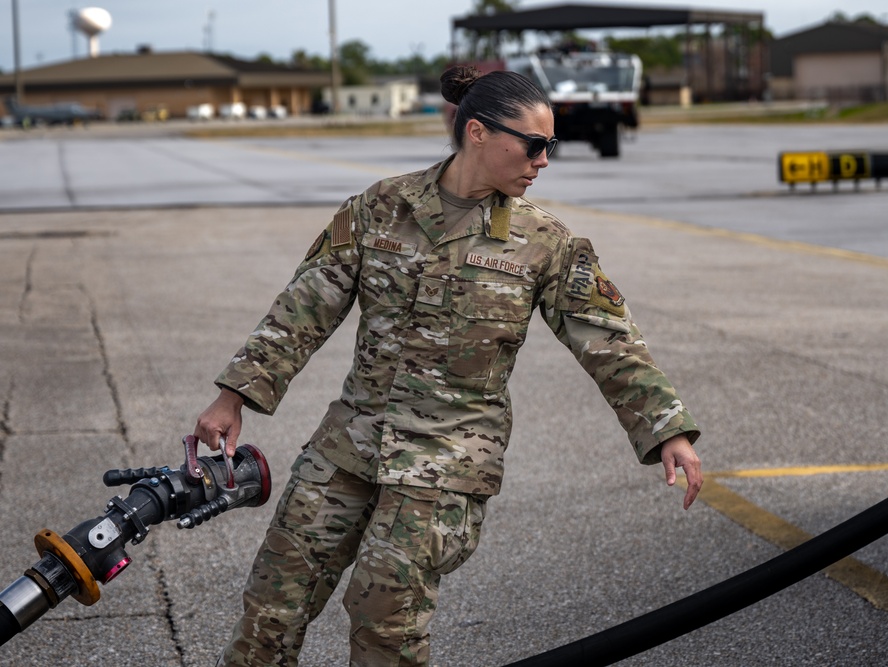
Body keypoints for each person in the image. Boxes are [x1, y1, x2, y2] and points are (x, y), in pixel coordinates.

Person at [194, 65, 702, 667]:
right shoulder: (380, 207)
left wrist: (667, 428)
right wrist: (234, 396)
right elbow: (304, 306)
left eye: (551, 146)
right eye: (535, 145)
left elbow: (609, 341)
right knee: (273, 601)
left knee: (386, 619)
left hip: (444, 460)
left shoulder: (545, 242)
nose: (544, 160)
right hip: (349, 445)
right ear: (480, 133)